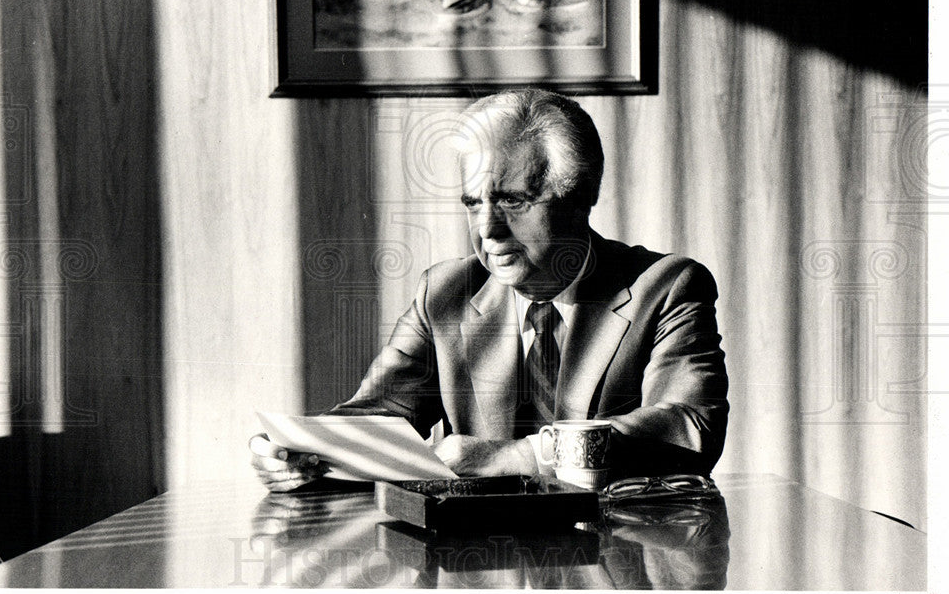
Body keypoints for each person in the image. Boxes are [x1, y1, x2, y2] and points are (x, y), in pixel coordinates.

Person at [251, 89, 728, 491]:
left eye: (513, 201)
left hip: (617, 555)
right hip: (476, 564)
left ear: (580, 197)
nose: (488, 230)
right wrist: (298, 450)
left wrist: (524, 456)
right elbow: (379, 418)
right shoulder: (445, 292)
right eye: (473, 203)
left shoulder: (665, 287)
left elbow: (688, 425)